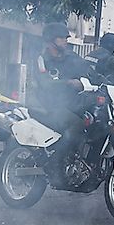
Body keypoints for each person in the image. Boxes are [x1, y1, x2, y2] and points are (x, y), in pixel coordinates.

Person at [34, 22, 98, 172]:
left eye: (65, 38)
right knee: (76, 124)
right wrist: (68, 83)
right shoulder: (42, 60)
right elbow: (44, 83)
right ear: (51, 40)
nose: (65, 41)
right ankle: (56, 162)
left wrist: (107, 82)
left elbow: (89, 71)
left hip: (70, 102)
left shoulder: (71, 57)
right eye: (61, 38)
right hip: (48, 104)